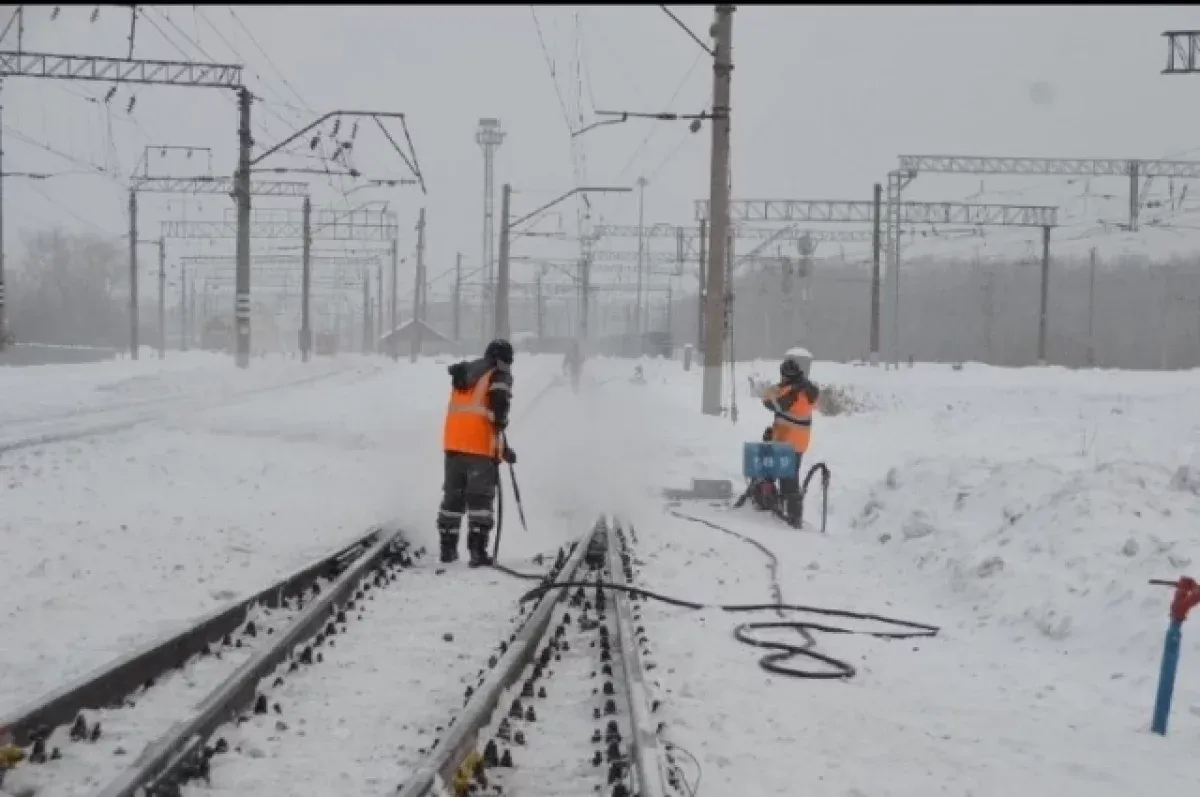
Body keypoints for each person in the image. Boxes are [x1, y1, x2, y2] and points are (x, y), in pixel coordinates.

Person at [438, 338, 517, 566]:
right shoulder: (498, 375)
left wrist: (503, 450)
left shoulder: (466, 374)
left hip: (453, 445)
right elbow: (497, 412)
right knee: (480, 500)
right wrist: (502, 421)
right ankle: (477, 551)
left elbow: (474, 416)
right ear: (502, 360)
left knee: (453, 498)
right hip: (479, 450)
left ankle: (447, 549)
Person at [760, 347, 820, 527]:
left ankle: (792, 518)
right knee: (787, 476)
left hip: (787, 443)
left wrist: (777, 389)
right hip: (798, 443)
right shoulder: (807, 390)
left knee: (787, 479)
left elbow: (769, 401)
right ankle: (789, 512)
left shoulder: (791, 393)